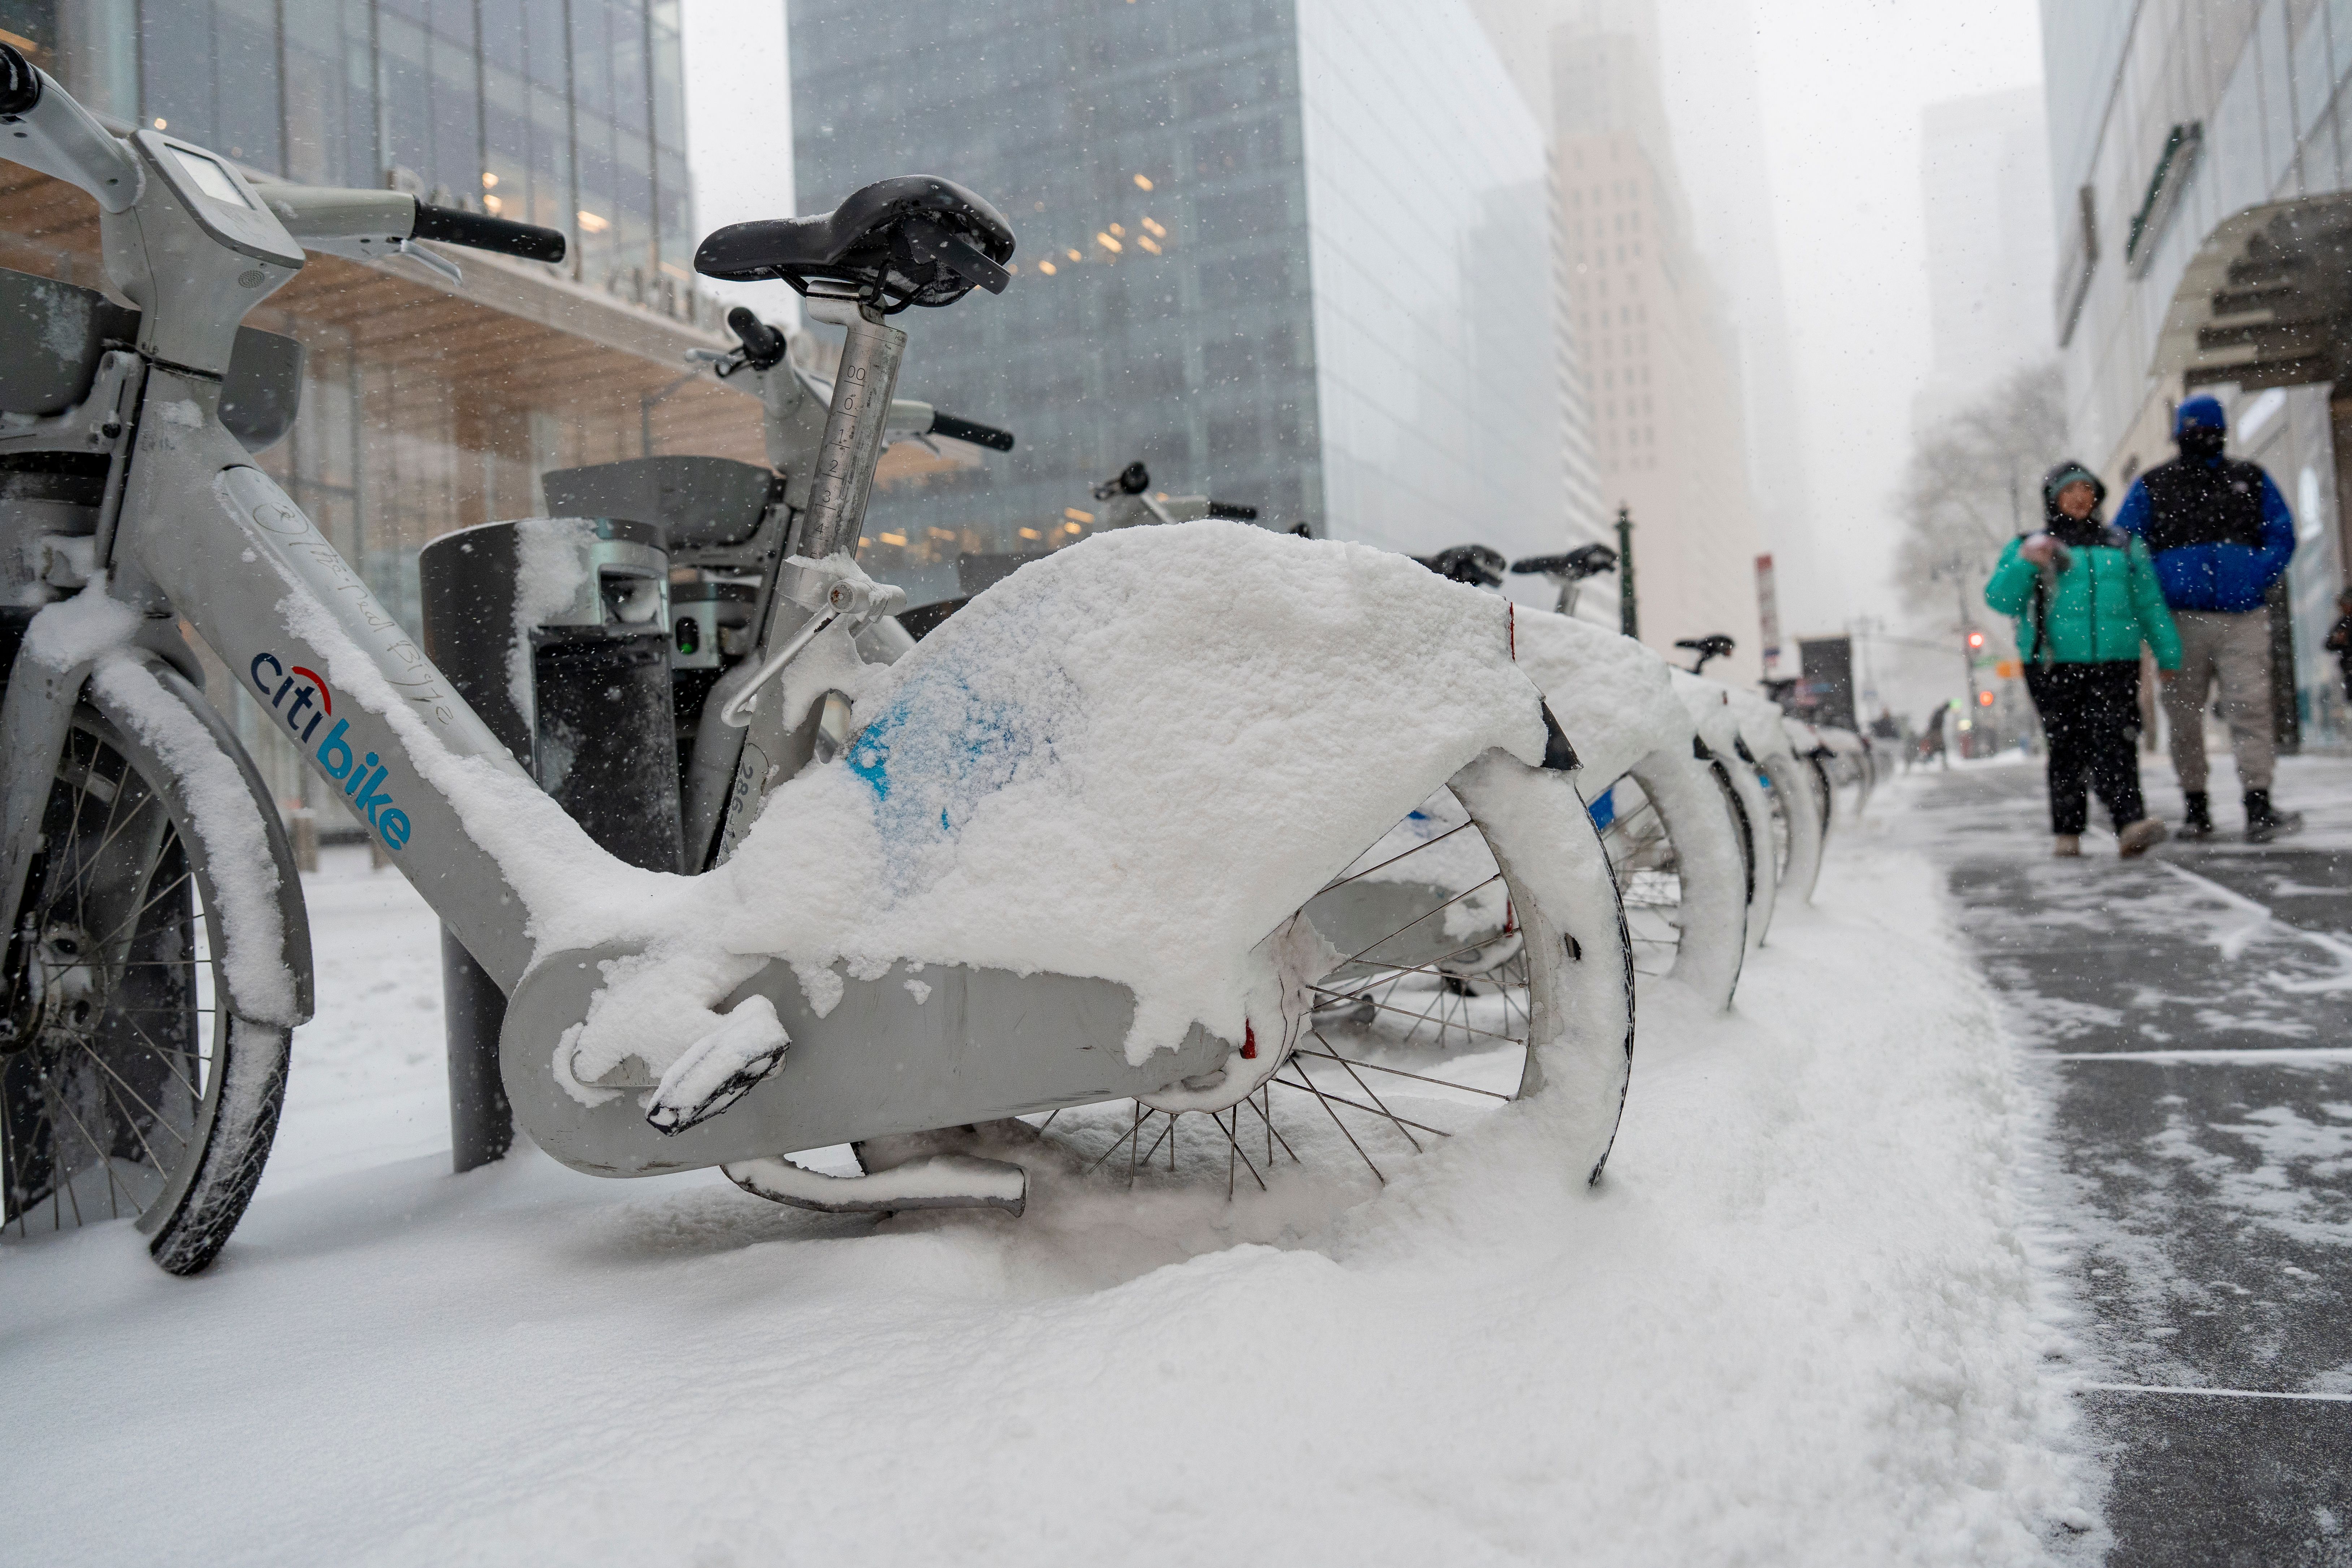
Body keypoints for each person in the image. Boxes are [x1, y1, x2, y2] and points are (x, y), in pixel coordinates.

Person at [2113, 395, 2302, 842]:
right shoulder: (2153, 485)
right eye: (2193, 430)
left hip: (2241, 616)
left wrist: (2256, 575)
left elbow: (2281, 533)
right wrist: (2158, 585)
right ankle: (2196, 807)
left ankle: (2256, 804)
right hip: (2180, 621)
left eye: (2206, 430)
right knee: (2184, 717)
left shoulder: (2249, 479)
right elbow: (2123, 543)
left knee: (2249, 709)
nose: (2200, 438)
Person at [1985, 461, 2182, 858]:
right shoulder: (2031, 544)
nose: (2079, 497)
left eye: (2086, 489)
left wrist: (2168, 653)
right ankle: (2067, 831)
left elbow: (2148, 602)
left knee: (2117, 740)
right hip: (2052, 663)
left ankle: (2129, 823)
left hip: (2116, 658)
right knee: (2066, 745)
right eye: (2069, 490)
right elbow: (2000, 599)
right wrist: (2027, 563)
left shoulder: (2123, 544)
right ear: (2053, 498)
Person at [2324, 586, 2352, 705]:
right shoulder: (2344, 622)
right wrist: (2337, 640)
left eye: (2345, 605)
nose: (2343, 608)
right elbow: (2329, 644)